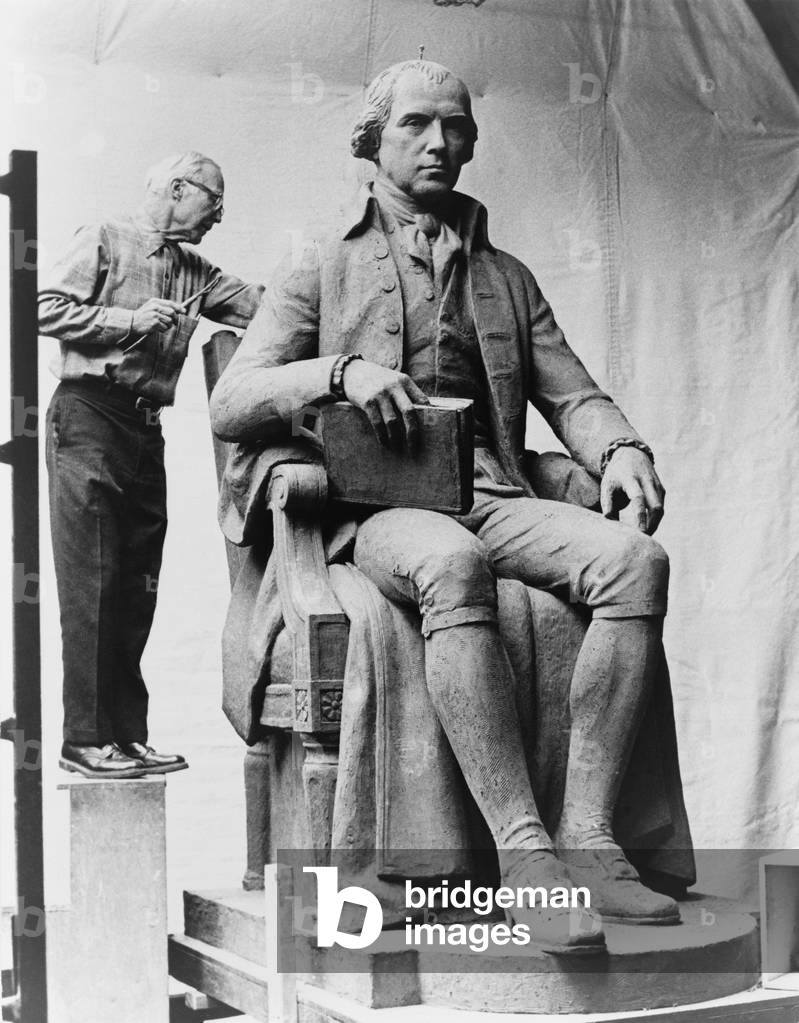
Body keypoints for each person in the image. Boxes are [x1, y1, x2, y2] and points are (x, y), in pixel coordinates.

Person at [210, 62, 683, 954]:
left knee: (636, 562)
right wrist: (336, 373)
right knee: (448, 563)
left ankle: (588, 837)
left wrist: (621, 450)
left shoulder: (505, 275)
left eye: (455, 127)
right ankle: (524, 852)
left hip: (495, 491)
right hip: (376, 508)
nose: (439, 143)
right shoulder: (320, 260)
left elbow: (572, 393)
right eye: (416, 125)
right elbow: (231, 402)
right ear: (372, 142)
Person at [39, 151, 264, 779]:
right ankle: (83, 739)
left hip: (144, 431)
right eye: (212, 203)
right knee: (94, 585)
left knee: (137, 590)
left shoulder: (196, 270)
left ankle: (126, 737)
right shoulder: (105, 238)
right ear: (175, 188)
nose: (218, 218)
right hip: (87, 418)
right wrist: (126, 320)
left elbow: (265, 308)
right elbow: (39, 305)